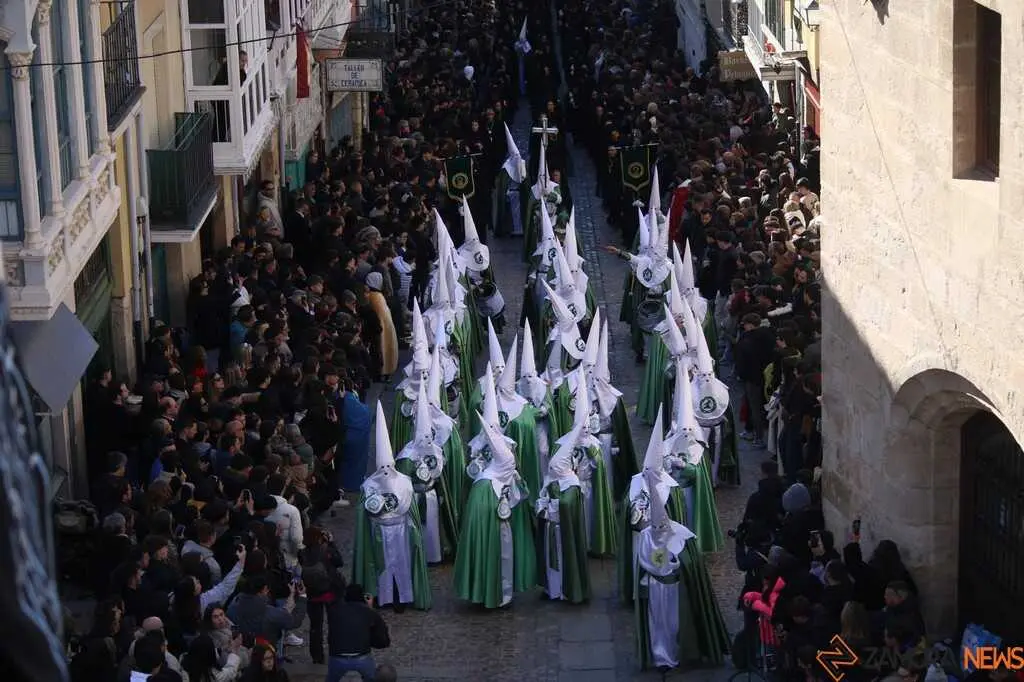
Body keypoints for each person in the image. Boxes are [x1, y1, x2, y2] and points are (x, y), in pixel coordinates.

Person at [352, 402, 432, 611]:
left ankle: (401, 596)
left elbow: (410, 508)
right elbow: (363, 512)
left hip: (401, 531)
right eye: (383, 467)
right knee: (382, 565)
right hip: (378, 531)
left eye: (389, 466)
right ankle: (382, 595)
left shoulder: (404, 482)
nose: (386, 471)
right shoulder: (369, 485)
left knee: (402, 564)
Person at [454, 415, 537, 608]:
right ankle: (487, 593)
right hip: (491, 533)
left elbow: (519, 495)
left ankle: (505, 595)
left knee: (506, 560)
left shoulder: (505, 474)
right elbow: (479, 515)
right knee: (491, 560)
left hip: (505, 530)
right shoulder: (483, 485)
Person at [325, 584, 392, 682]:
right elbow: (381, 632)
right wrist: (370, 607)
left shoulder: (335, 611)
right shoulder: (367, 612)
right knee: (371, 678)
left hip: (338, 656)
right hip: (361, 656)